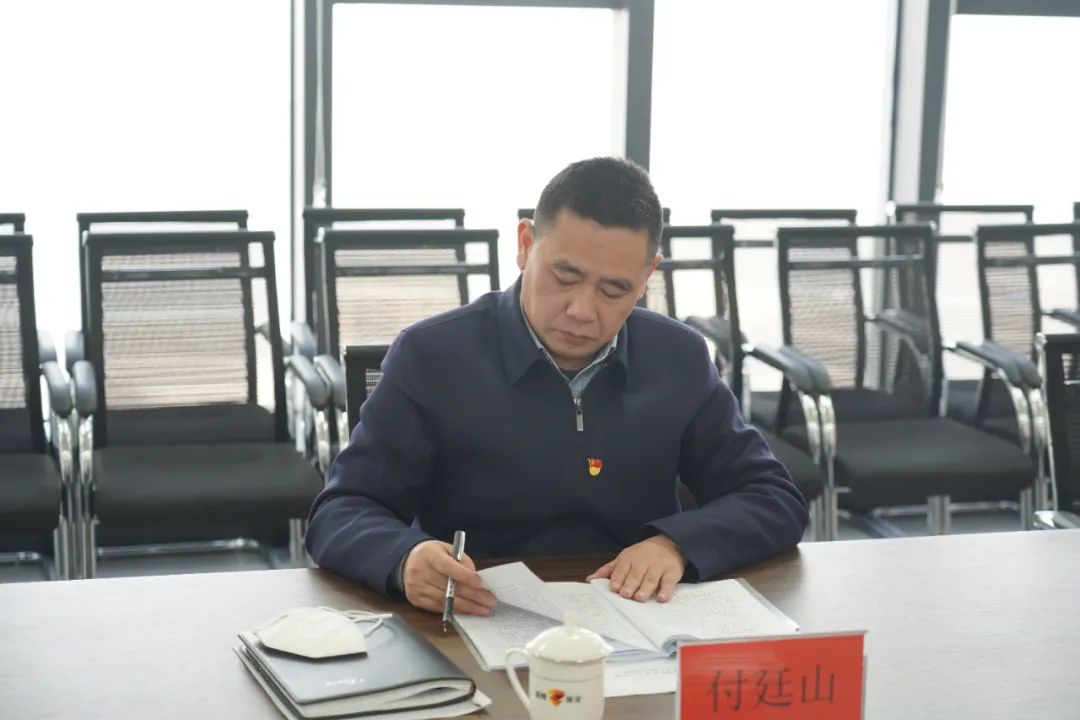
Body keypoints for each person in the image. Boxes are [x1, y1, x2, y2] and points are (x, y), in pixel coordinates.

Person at [306, 157, 808, 617]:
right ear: (525, 245)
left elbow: (773, 498)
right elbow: (341, 510)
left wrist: (675, 545)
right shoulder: (431, 357)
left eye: (615, 289)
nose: (582, 311)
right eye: (565, 277)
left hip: (635, 618)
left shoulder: (677, 357)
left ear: (647, 275)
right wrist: (404, 558)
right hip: (476, 616)